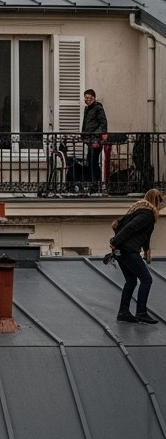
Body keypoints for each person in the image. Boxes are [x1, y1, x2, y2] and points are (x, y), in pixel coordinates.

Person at [109, 188, 164, 324]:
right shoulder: (147, 214)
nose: (162, 207)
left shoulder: (136, 211)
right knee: (146, 279)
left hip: (121, 251)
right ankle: (141, 312)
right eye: (161, 203)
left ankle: (123, 312)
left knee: (131, 280)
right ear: (156, 201)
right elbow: (130, 228)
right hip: (128, 250)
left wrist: (147, 251)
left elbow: (117, 225)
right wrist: (115, 242)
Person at [83, 89, 109, 191]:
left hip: (96, 140)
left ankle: (95, 183)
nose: (87, 100)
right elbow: (86, 124)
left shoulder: (98, 108)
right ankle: (93, 183)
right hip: (89, 140)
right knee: (90, 161)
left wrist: (96, 137)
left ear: (93, 98)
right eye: (85, 98)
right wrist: (84, 136)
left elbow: (103, 124)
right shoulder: (87, 109)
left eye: (89, 98)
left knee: (93, 161)